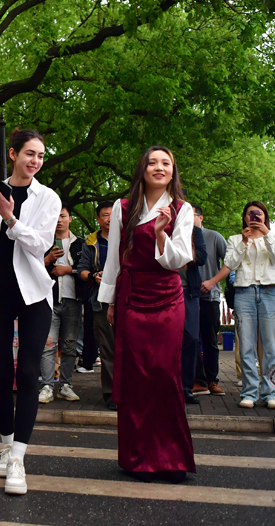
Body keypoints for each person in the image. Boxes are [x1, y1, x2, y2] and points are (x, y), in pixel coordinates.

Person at [0, 129, 60, 496]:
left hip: (34, 293)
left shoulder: (47, 197)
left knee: (29, 371)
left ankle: (19, 457)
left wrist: (12, 220)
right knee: (0, 372)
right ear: (13, 154)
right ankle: (5, 446)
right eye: (29, 154)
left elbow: (41, 246)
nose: (35, 161)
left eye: (41, 156)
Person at [98, 146, 195, 483]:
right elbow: (113, 259)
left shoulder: (182, 209)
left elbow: (178, 260)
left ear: (173, 171)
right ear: (142, 169)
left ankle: (170, 458)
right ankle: (137, 457)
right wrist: (109, 300)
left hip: (167, 298)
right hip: (130, 296)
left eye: (165, 163)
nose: (158, 167)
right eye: (152, 162)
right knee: (136, 379)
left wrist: (159, 233)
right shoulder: (123, 207)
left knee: (165, 375)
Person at [224, 201, 275, 410]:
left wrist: (266, 233)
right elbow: (230, 264)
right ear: (244, 217)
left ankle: (272, 392)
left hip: (270, 292)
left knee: (271, 345)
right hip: (244, 292)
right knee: (247, 345)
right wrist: (244, 240)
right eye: (250, 214)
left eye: (259, 214)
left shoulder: (274, 236)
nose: (255, 217)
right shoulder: (234, 239)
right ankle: (249, 391)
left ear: (266, 217)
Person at [39, 205, 85, 403]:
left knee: (69, 344)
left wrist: (69, 270)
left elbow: (87, 269)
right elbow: (31, 268)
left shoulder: (81, 244)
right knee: (48, 345)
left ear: (70, 219)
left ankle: (66, 385)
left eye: (63, 216)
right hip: (49, 300)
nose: (59, 220)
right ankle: (47, 386)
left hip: (73, 300)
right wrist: (47, 260)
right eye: (55, 216)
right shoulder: (43, 242)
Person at [78, 201, 116, 410]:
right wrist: (94, 276)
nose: (109, 218)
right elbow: (81, 269)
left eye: (113, 214)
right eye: (105, 215)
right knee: (108, 350)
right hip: (100, 302)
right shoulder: (91, 242)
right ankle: (111, 395)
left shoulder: (128, 239)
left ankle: (131, 392)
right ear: (98, 219)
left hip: (128, 301)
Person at [196, 207, 228, 396]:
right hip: (187, 297)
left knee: (210, 341)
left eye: (190, 214)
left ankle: (211, 380)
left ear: (201, 217)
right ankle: (197, 381)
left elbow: (230, 262)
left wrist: (212, 281)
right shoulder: (179, 236)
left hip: (210, 297)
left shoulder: (214, 237)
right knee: (191, 341)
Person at [180, 205, 207, 404]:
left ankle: (186, 387)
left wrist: (187, 246)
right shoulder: (162, 229)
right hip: (164, 291)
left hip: (189, 291)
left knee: (190, 338)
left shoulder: (195, 233)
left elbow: (202, 258)